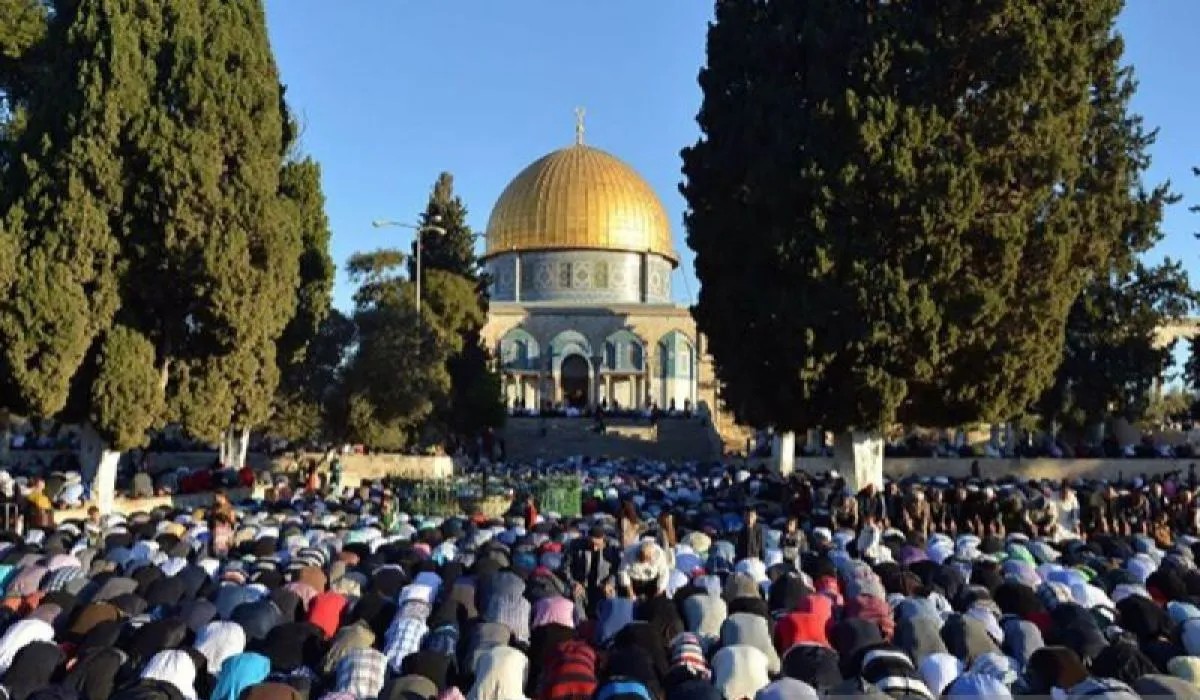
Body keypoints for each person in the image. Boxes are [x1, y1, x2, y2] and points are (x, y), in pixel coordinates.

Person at [564, 525, 620, 616]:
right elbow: (566, 567)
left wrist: (610, 583)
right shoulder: (575, 545)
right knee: (575, 595)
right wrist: (573, 583)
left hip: (602, 584)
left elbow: (617, 569)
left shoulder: (613, 547)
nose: (594, 548)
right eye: (591, 544)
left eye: (598, 545)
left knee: (611, 596)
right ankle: (582, 625)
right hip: (582, 584)